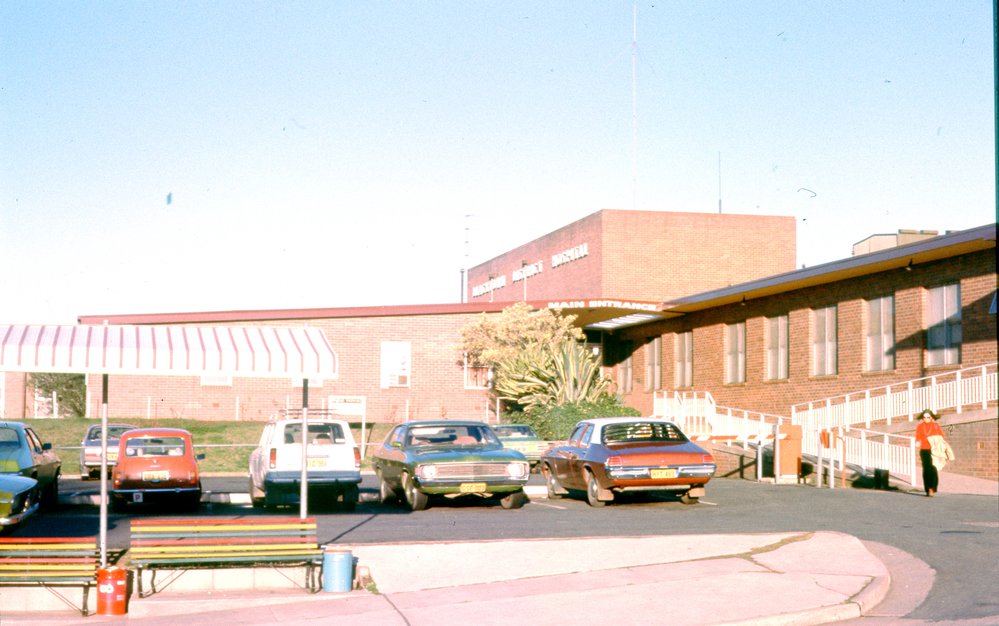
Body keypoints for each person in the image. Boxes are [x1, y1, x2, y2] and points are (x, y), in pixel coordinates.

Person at [915, 409, 952, 496]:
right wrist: (917, 442)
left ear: (931, 417)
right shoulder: (920, 426)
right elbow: (917, 436)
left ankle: (932, 488)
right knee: (926, 469)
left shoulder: (935, 426)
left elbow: (941, 436)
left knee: (933, 469)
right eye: (924, 417)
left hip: (934, 450)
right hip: (924, 449)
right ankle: (928, 489)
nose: (926, 419)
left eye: (928, 417)